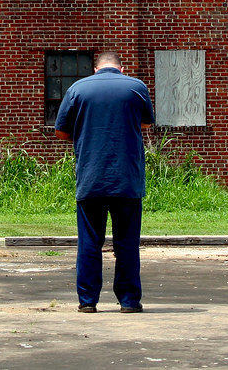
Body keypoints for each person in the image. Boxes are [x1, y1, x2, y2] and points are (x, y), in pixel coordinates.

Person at [54, 50, 155, 314]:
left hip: (91, 177)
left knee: (89, 242)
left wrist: (84, 132)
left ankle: (88, 301)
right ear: (122, 69)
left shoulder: (78, 89)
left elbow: (61, 131)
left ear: (95, 69)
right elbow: (146, 124)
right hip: (127, 179)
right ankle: (129, 301)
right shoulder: (136, 88)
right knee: (127, 243)